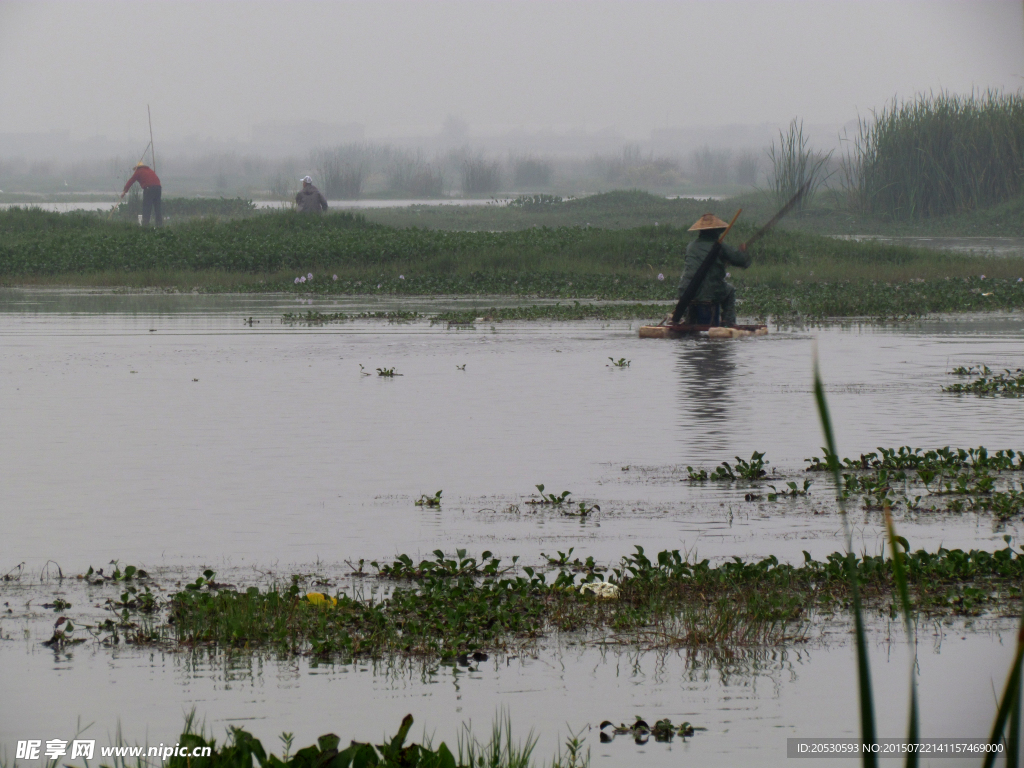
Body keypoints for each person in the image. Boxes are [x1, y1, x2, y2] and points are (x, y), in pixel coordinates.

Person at [675, 213, 751, 326]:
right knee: (729, 291)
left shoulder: (690, 246)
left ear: (700, 232)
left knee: (698, 293)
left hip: (686, 292)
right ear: (716, 232)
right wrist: (743, 251)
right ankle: (728, 323)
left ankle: (689, 320)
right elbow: (743, 262)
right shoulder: (720, 247)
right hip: (709, 292)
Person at [121, 162, 162, 226]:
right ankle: (159, 225)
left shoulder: (138, 171)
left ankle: (145, 226)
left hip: (149, 189)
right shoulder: (149, 170)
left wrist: (124, 191)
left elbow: (131, 181)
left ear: (137, 168)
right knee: (157, 208)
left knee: (146, 208)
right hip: (158, 188)